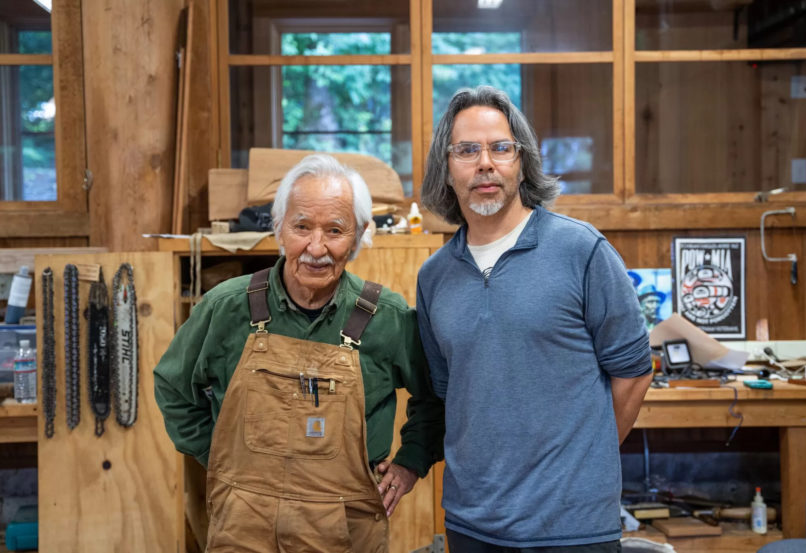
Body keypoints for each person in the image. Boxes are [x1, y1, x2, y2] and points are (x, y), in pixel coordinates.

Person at [154, 154, 444, 552]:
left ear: (358, 236)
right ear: (278, 227)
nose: (316, 247)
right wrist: (216, 452)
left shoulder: (387, 318)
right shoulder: (226, 308)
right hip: (242, 529)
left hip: (344, 532)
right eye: (301, 227)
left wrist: (411, 461)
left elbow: (436, 396)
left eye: (335, 230)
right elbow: (172, 387)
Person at [416, 86, 653, 552]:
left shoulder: (581, 250)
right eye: (467, 150)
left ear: (521, 162)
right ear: (446, 168)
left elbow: (633, 374)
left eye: (501, 148)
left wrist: (582, 464)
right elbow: (451, 397)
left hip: (574, 528)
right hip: (471, 524)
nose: (485, 162)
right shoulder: (433, 277)